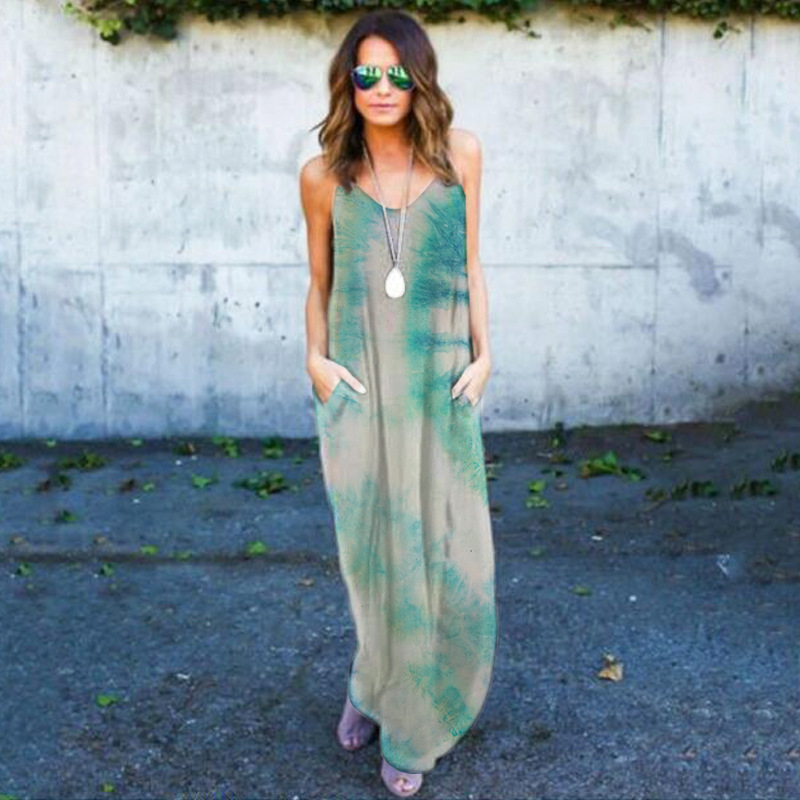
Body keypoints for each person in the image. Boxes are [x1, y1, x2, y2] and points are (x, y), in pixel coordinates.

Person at [299, 9, 497, 797]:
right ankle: (380, 696)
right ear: (349, 83)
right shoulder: (324, 176)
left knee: (447, 557)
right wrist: (314, 360)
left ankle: (403, 710)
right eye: (366, 73)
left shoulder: (460, 156)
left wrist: (486, 355)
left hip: (438, 386)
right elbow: (318, 281)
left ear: (420, 78)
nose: (382, 87)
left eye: (396, 72)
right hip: (360, 389)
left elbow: (473, 264)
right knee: (377, 558)